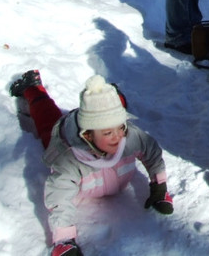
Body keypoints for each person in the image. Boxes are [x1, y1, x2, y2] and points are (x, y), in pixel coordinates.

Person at [9, 70, 173, 256]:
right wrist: (64, 239)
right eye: (108, 133)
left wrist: (159, 187)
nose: (118, 137)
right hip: (67, 132)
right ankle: (32, 88)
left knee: (112, 109)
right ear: (87, 136)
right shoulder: (70, 158)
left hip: (99, 118)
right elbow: (59, 198)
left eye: (121, 128)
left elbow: (152, 152)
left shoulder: (129, 136)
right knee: (46, 117)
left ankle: (111, 93)